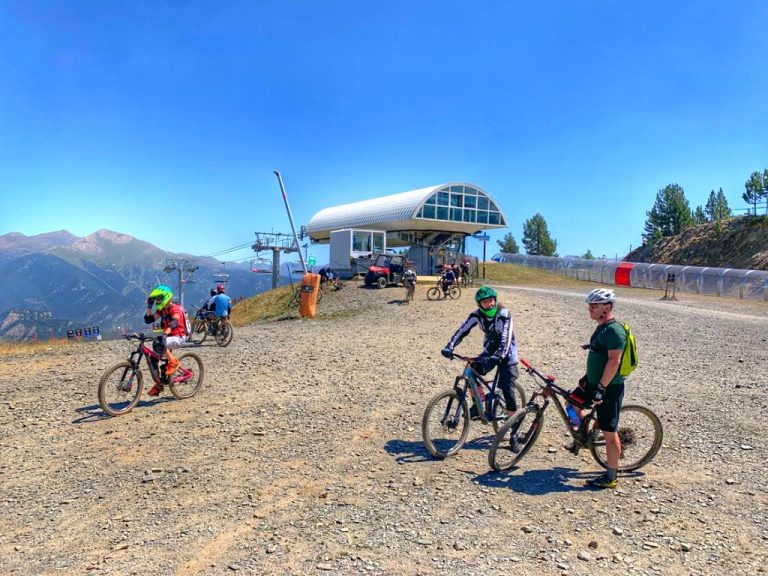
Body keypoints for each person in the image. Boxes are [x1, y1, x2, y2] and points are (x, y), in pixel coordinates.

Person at [440, 286, 521, 445]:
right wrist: (449, 346)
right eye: (485, 302)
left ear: (495, 300)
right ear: (479, 304)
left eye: (491, 300)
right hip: (490, 350)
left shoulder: (504, 314)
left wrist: (498, 357)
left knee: (507, 388)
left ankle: (514, 432)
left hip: (507, 354)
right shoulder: (476, 315)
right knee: (471, 370)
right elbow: (462, 330)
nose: (489, 304)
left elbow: (506, 338)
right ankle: (479, 404)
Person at [567, 288, 627, 489]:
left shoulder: (615, 330)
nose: (590, 309)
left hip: (609, 387)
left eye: (594, 306)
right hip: (593, 382)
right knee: (571, 402)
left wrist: (601, 388)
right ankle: (587, 433)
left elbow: (614, 362)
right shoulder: (602, 327)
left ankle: (611, 477)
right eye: (590, 306)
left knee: (610, 433)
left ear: (607, 307)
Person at [143, 285, 189, 396]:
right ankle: (159, 384)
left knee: (159, 343)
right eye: (156, 299)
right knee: (153, 358)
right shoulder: (162, 310)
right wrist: (149, 307)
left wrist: (164, 334)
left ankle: (174, 362)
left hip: (179, 336)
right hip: (169, 337)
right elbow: (148, 320)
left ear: (166, 297)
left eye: (159, 299)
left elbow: (174, 322)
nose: (157, 301)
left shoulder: (176, 308)